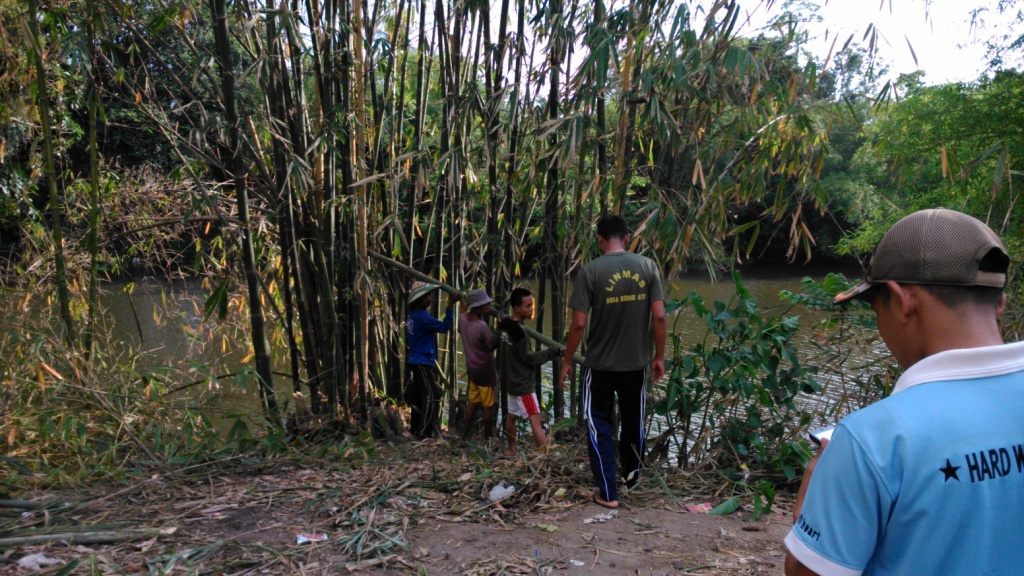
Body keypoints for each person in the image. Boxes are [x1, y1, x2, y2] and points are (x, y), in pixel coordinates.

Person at [785, 208, 1024, 576]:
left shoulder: (873, 439)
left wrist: (812, 510)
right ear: (999, 304)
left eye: (875, 307)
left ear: (901, 300)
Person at [559, 215, 667, 509]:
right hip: (637, 365)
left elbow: (579, 324)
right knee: (634, 423)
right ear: (628, 237)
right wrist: (659, 356)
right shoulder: (647, 266)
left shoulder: (590, 271)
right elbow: (659, 316)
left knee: (599, 426)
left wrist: (567, 360)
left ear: (599, 239)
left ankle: (608, 492)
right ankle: (632, 481)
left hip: (600, 367)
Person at [497, 287, 561, 456]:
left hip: (510, 381)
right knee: (535, 417)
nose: (532, 309)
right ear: (516, 308)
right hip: (522, 382)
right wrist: (552, 352)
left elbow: (495, 342)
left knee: (511, 415)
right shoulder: (520, 332)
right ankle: (546, 454)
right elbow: (529, 358)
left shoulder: (504, 325)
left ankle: (511, 449)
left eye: (531, 305)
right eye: (527, 306)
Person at [406, 280, 457, 440]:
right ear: (419, 299)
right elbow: (443, 327)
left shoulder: (413, 314)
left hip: (416, 360)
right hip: (421, 362)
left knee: (420, 395)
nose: (430, 298)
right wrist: (450, 307)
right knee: (433, 394)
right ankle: (425, 433)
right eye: (427, 296)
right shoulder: (421, 317)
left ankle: (415, 429)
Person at [458, 288, 498, 439]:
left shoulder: (463, 319)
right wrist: (500, 329)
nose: (488, 308)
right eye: (486, 305)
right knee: (488, 406)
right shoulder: (481, 326)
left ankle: (464, 435)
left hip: (473, 370)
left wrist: (463, 306)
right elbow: (491, 345)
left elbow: (459, 329)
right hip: (486, 371)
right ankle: (488, 438)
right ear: (479, 307)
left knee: (472, 403)